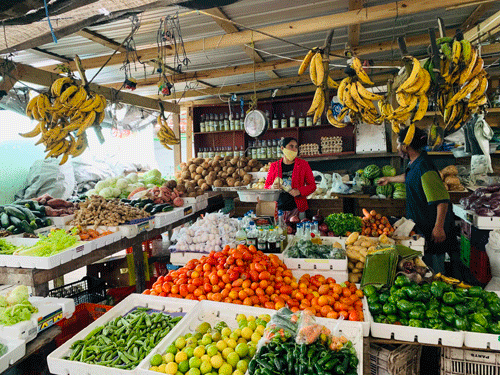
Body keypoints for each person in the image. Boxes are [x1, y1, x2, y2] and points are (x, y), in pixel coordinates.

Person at [377, 126, 458, 274]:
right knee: (424, 267)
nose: (396, 147)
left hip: (432, 229)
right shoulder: (415, 162)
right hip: (422, 226)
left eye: (398, 143)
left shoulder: (425, 168)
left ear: (406, 146)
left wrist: (438, 227)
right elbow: (409, 177)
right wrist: (389, 179)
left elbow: (442, 200)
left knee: (435, 271)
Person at [265, 137, 316, 220]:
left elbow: (312, 186)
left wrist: (299, 191)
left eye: (296, 147)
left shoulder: (303, 164)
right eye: (291, 146)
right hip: (279, 209)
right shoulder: (274, 166)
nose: (294, 149)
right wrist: (272, 187)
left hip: (297, 208)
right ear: (282, 148)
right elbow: (266, 186)